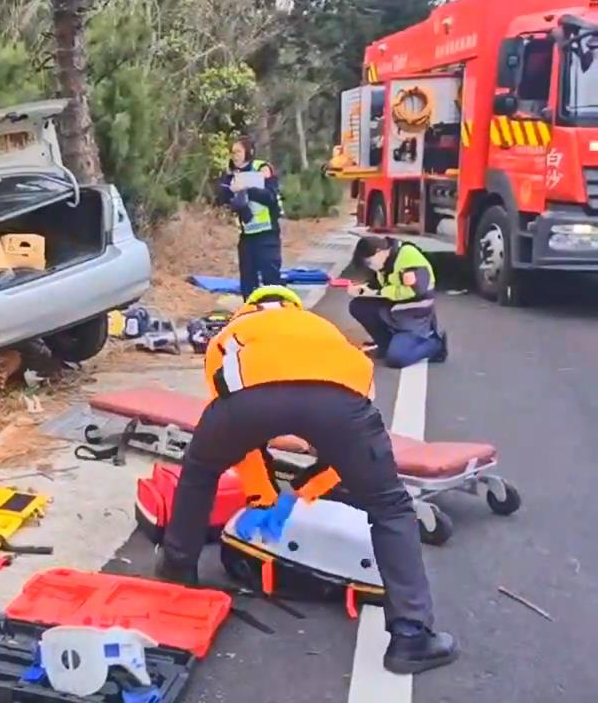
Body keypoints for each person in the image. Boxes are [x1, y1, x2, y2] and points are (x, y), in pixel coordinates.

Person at [156, 285, 458, 675]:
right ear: (295, 308)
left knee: (200, 470)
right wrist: (310, 488)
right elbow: (358, 420)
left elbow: (231, 421)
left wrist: (262, 495)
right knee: (390, 508)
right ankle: (411, 637)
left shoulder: (230, 335)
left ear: (248, 309)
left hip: (249, 402)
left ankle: (178, 571)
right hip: (339, 403)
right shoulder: (324, 329)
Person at [348, 236, 447, 368]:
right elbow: (380, 285)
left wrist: (378, 293)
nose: (370, 267)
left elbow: (416, 290)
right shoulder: (384, 263)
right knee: (358, 305)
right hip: (395, 312)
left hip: (414, 316)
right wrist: (362, 289)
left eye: (369, 262)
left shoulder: (408, 256)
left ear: (379, 251)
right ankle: (385, 344)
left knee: (397, 359)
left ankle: (435, 345)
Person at [217, 136, 284, 299]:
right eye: (233, 152)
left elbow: (271, 197)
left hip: (267, 233)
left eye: (238, 152)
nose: (235, 156)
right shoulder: (232, 174)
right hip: (247, 235)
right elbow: (222, 199)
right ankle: (251, 310)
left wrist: (247, 189)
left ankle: (275, 310)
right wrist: (230, 191)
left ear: (249, 151)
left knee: (271, 279)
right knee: (248, 282)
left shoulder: (261, 168)